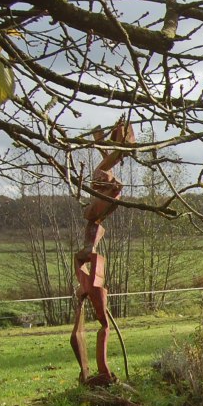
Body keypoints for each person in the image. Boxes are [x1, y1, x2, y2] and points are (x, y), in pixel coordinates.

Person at [70, 122, 135, 386]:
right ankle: (96, 372)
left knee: (103, 324)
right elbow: (103, 170)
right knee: (95, 324)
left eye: (102, 182)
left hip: (92, 265)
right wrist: (103, 145)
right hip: (89, 262)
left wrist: (109, 148)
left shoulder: (108, 198)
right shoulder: (101, 204)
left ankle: (103, 371)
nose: (97, 182)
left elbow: (104, 172)